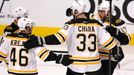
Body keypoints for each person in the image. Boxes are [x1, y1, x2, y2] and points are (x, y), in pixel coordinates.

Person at [24, 0, 123, 75]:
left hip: (75, 65)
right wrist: (116, 51)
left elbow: (57, 39)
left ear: (76, 10)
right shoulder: (97, 25)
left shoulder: (71, 25)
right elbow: (110, 43)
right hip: (94, 66)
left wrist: (39, 40)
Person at [0, 18, 71, 75]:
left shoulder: (8, 39)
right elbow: (45, 56)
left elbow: (1, 56)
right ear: (24, 27)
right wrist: (60, 58)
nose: (31, 29)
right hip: (30, 72)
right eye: (29, 27)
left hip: (13, 72)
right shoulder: (32, 41)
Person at [97, 1, 131, 75]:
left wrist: (116, 32)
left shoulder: (118, 23)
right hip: (97, 56)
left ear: (109, 12)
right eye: (99, 11)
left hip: (110, 56)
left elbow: (127, 40)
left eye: (102, 11)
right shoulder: (97, 22)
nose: (99, 14)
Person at [0, 7, 29, 71]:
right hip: (10, 57)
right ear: (17, 18)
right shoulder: (9, 29)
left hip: (18, 55)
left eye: (26, 17)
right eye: (24, 17)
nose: (25, 19)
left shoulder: (23, 26)